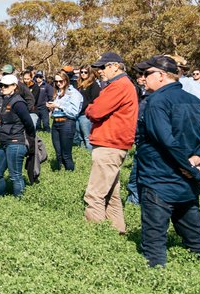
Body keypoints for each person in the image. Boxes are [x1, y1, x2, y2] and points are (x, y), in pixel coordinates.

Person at [134, 55, 200, 268]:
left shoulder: (155, 102)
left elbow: (167, 142)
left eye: (146, 74)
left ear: (161, 76)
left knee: (154, 244)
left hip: (159, 180)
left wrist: (192, 168)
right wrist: (196, 161)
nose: (143, 79)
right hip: (186, 183)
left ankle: (155, 282)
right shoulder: (195, 101)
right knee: (195, 239)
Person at [82, 52, 137, 234]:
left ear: (115, 66)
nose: (99, 72)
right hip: (115, 144)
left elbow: (95, 110)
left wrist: (90, 108)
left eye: (103, 67)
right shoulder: (123, 85)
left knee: (94, 194)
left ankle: (96, 236)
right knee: (112, 195)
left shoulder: (118, 86)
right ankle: (118, 231)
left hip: (109, 145)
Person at [0, 74, 35, 197]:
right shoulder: (6, 99)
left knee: (15, 176)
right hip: (5, 141)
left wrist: (30, 139)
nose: (3, 88)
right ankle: (0, 198)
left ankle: (19, 202)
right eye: (1, 85)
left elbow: (29, 123)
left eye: (6, 85)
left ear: (14, 86)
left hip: (16, 142)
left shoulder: (19, 103)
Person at [47, 71, 83, 171]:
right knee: (58, 153)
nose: (58, 83)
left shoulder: (73, 93)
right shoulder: (57, 93)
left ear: (66, 80)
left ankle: (70, 173)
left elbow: (74, 112)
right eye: (56, 81)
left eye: (61, 81)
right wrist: (52, 108)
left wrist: (58, 105)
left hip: (67, 123)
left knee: (66, 154)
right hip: (56, 123)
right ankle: (59, 172)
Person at [74, 66, 99, 151]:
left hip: (86, 115)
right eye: (82, 72)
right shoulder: (79, 84)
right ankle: (82, 153)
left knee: (87, 137)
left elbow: (94, 100)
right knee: (80, 137)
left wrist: (85, 108)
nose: (83, 74)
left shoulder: (94, 85)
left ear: (90, 73)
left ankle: (90, 155)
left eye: (85, 72)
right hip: (78, 114)